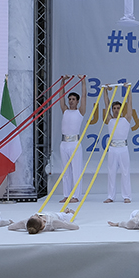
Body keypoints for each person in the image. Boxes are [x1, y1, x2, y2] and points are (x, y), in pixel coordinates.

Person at [59, 75, 88, 203]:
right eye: (69, 99)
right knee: (66, 171)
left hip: (75, 143)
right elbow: (60, 97)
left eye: (73, 99)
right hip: (64, 143)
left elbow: (84, 96)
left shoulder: (80, 111)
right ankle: (66, 194)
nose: (71, 101)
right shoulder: (65, 110)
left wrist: (82, 81)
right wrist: (63, 81)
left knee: (76, 171)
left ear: (77, 101)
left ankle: (76, 195)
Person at [102, 83, 132, 204]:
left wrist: (128, 90)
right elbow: (106, 103)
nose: (115, 110)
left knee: (125, 172)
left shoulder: (126, 119)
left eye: (118, 108)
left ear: (121, 109)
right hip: (113, 149)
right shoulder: (110, 120)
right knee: (111, 172)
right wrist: (105, 90)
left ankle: (127, 196)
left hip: (123, 148)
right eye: (114, 108)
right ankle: (111, 196)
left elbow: (130, 103)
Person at [8, 211, 80, 234]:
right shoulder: (53, 222)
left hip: (49, 214)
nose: (36, 215)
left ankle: (65, 211)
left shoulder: (26, 222)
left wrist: (10, 222)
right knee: (68, 216)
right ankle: (69, 211)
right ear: (43, 223)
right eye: (38, 216)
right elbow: (72, 226)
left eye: (33, 216)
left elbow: (11, 227)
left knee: (62, 213)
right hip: (57, 216)